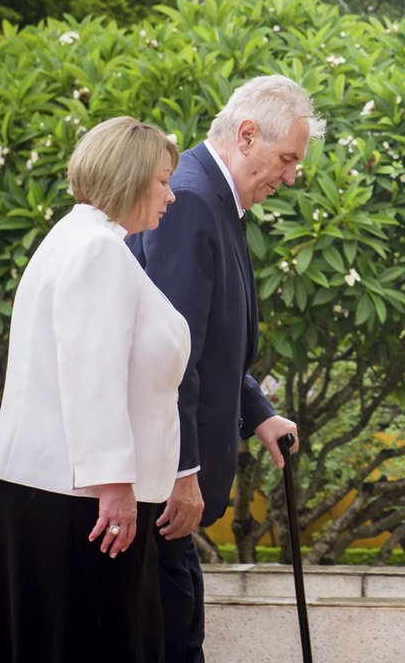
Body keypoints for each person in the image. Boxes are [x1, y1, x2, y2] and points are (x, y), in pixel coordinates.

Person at [127, 74, 325, 663]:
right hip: (164, 484)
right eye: (287, 158)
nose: (291, 176)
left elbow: (207, 344)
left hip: (171, 485)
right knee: (175, 642)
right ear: (246, 135)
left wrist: (259, 415)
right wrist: (183, 472)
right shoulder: (189, 200)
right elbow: (172, 356)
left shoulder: (215, 197)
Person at [0, 117, 190, 662]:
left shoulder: (73, 238)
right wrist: (113, 485)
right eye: (163, 180)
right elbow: (92, 373)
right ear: (131, 176)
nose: (171, 195)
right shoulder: (97, 249)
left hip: (59, 491)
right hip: (84, 502)